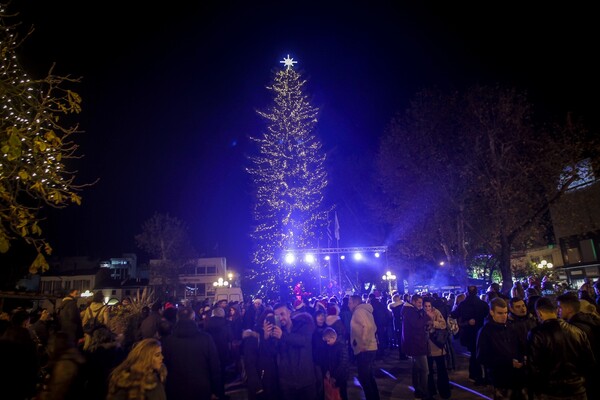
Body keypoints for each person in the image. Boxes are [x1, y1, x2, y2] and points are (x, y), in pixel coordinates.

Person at [527, 296, 595, 400]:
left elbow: (534, 368)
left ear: (539, 312)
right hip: (577, 389)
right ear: (556, 310)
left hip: (550, 392)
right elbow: (589, 363)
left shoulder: (537, 334)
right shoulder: (577, 332)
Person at [162, 307, 223, 400]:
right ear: (193, 319)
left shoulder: (168, 341)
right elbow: (214, 366)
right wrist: (216, 390)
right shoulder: (206, 339)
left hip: (176, 390)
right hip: (201, 389)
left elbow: (165, 367)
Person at [263, 302, 317, 400]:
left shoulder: (303, 325)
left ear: (289, 313)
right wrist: (266, 338)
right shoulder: (277, 331)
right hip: (287, 383)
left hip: (306, 381)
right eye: (277, 316)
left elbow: (303, 340)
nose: (280, 318)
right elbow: (271, 353)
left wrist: (282, 336)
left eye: (282, 314)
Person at [476, 297, 527, 400]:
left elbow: (519, 346)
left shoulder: (510, 327)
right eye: (500, 313)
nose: (504, 316)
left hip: (517, 377)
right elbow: (482, 357)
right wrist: (508, 362)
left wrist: (522, 358)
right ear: (492, 312)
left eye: (505, 313)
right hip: (500, 379)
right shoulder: (486, 331)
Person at [556, 292, 600, 399]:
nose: (558, 311)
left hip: (584, 378)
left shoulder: (573, 329)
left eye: (560, 307)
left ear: (569, 309)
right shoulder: (588, 322)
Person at [451, 285, 489, 385]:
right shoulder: (483, 304)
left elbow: (454, 314)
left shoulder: (463, 304)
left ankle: (475, 375)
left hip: (469, 332)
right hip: (481, 331)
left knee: (473, 354)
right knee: (480, 353)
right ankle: (481, 376)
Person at [349, 294, 380, 400]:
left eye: (350, 302)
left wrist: (363, 343)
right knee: (369, 377)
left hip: (365, 350)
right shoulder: (365, 311)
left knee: (365, 378)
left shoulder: (359, 311)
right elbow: (373, 327)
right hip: (369, 348)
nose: (348, 305)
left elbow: (368, 326)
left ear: (355, 303)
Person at [402, 294, 432, 400]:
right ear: (413, 302)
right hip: (416, 344)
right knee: (425, 370)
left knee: (416, 368)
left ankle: (418, 389)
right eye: (419, 303)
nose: (421, 305)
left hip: (415, 343)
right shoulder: (410, 311)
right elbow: (417, 324)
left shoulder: (411, 311)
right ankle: (422, 392)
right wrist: (426, 318)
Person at [423, 297, 451, 400]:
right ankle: (431, 391)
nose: (427, 308)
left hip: (437, 345)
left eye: (429, 306)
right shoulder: (420, 313)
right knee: (428, 371)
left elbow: (443, 325)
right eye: (425, 306)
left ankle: (444, 391)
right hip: (426, 347)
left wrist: (433, 323)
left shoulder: (436, 312)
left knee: (441, 369)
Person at [323, 327, 349, 400]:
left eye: (328, 341)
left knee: (342, 394)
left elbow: (343, 363)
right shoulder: (330, 347)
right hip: (334, 375)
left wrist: (334, 375)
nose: (327, 343)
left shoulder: (341, 347)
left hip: (341, 376)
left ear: (333, 337)